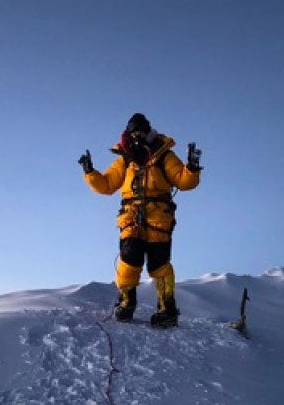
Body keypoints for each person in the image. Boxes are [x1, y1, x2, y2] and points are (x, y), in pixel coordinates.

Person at [79, 113, 202, 327]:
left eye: (141, 132)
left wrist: (191, 167)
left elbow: (184, 181)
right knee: (129, 259)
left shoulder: (164, 155)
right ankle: (126, 304)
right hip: (131, 217)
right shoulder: (124, 159)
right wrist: (90, 172)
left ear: (148, 132)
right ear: (128, 133)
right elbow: (107, 184)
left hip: (159, 218)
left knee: (160, 264)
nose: (137, 136)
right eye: (133, 132)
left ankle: (167, 310)